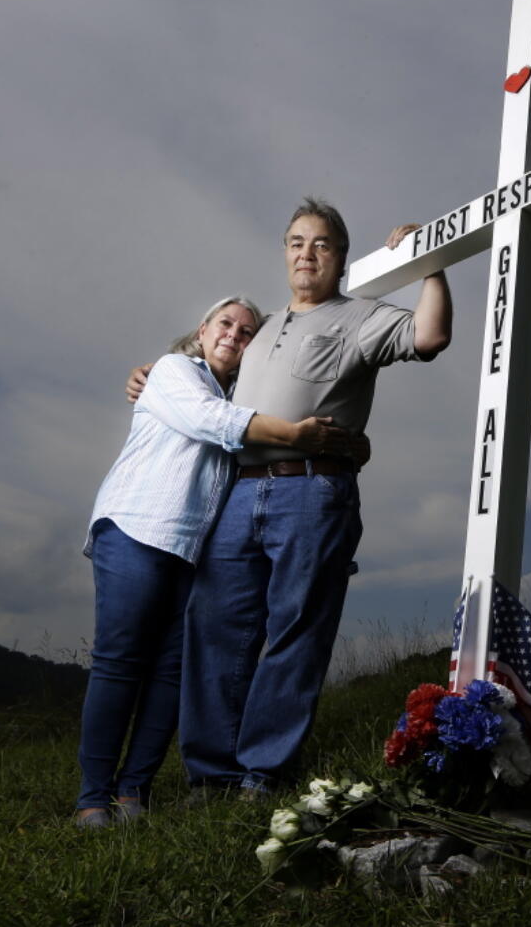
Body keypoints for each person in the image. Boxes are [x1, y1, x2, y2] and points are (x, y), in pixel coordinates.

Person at [127, 199, 452, 796]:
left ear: (341, 257)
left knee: (296, 628)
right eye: (297, 242)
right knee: (215, 626)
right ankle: (211, 775)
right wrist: (153, 377)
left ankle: (263, 773)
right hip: (237, 492)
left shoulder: (361, 316)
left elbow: (430, 335)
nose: (308, 252)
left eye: (322, 244)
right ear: (285, 253)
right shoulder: (262, 328)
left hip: (313, 488)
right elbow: (209, 377)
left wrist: (431, 263)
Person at [76, 295, 351, 829]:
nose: (234, 334)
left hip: (191, 551)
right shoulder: (175, 371)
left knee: (170, 672)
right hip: (135, 528)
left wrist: (340, 448)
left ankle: (134, 791)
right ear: (202, 330)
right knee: (120, 661)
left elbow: (240, 429)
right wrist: (294, 435)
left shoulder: (236, 397)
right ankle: (92, 798)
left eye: (248, 332)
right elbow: (211, 420)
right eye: (226, 323)